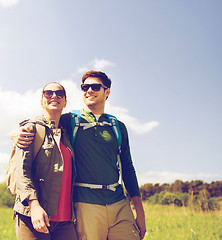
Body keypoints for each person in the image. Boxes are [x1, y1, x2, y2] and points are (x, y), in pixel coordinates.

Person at [12, 71, 146, 240]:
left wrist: (139, 211)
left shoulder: (118, 127)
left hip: (118, 203)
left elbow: (128, 168)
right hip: (86, 203)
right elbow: (45, 120)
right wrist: (16, 132)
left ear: (107, 92)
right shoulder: (71, 121)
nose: (89, 90)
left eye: (95, 87)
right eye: (85, 87)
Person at [13, 82, 77, 240]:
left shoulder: (68, 133)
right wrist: (34, 206)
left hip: (66, 220)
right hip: (33, 215)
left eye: (59, 93)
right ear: (42, 101)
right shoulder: (30, 129)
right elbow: (21, 172)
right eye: (48, 93)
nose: (54, 96)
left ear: (65, 102)